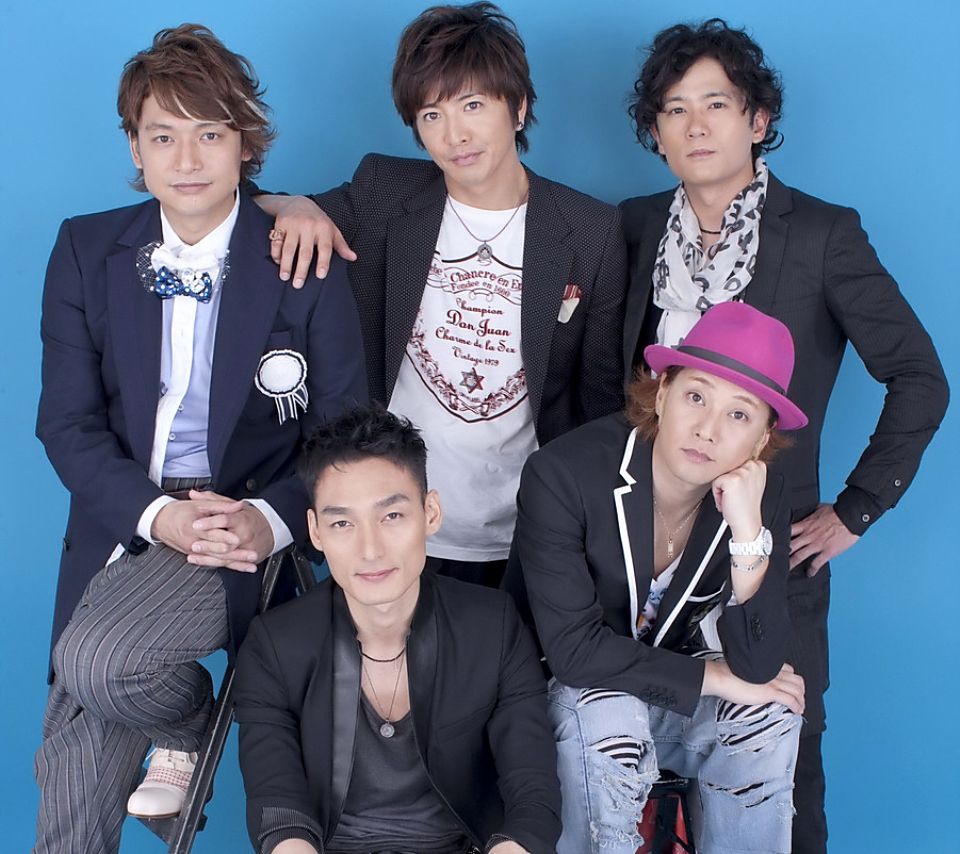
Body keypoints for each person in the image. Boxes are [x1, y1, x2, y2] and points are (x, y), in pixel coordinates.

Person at [33, 24, 366, 853]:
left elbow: (345, 432)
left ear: (245, 142)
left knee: (95, 663)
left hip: (233, 531)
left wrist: (270, 521)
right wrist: (157, 516)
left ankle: (184, 729)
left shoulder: (302, 255)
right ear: (135, 149)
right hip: (123, 522)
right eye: (163, 137)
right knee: (68, 806)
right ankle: (182, 728)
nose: (186, 159)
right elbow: (67, 423)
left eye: (210, 134)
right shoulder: (85, 248)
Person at [618, 19, 949, 852]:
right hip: (638, 551)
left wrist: (858, 508)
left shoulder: (821, 235)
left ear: (758, 120)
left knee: (784, 775)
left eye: (717, 104)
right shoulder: (631, 227)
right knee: (629, 770)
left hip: (768, 548)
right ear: (655, 131)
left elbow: (920, 377)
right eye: (674, 109)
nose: (696, 125)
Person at [252, 2, 627, 587]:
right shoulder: (385, 195)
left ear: (518, 107)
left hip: (528, 531)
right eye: (432, 114)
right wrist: (293, 204)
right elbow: (245, 210)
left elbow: (598, 403)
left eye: (473, 105)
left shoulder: (589, 230)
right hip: (392, 530)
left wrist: (586, 536)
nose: (454, 135)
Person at [505, 302, 807, 853]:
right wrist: (716, 679)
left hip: (664, 696)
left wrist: (746, 533)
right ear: (663, 392)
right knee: (612, 714)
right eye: (696, 397)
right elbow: (574, 653)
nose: (708, 430)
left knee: (768, 715)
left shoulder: (761, 495)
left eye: (739, 415)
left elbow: (760, 667)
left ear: (762, 439)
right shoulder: (564, 473)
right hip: (562, 700)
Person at [233, 404, 561, 854]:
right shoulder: (274, 646)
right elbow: (278, 809)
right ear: (315, 531)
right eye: (342, 523)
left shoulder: (494, 627)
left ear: (430, 513)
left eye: (391, 516)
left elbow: (533, 796)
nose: (370, 549)